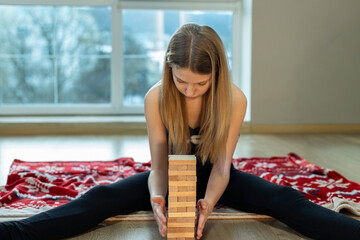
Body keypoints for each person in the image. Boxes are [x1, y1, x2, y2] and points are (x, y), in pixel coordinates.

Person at [0, 23, 359, 240]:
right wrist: (158, 201)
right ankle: (13, 233)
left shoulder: (234, 100)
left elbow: (221, 168)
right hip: (171, 175)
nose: (190, 90)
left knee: (286, 200)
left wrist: (208, 205)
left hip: (219, 176)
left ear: (216, 74)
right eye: (181, 80)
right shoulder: (155, 98)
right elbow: (157, 168)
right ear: (168, 69)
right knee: (100, 197)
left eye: (200, 84)